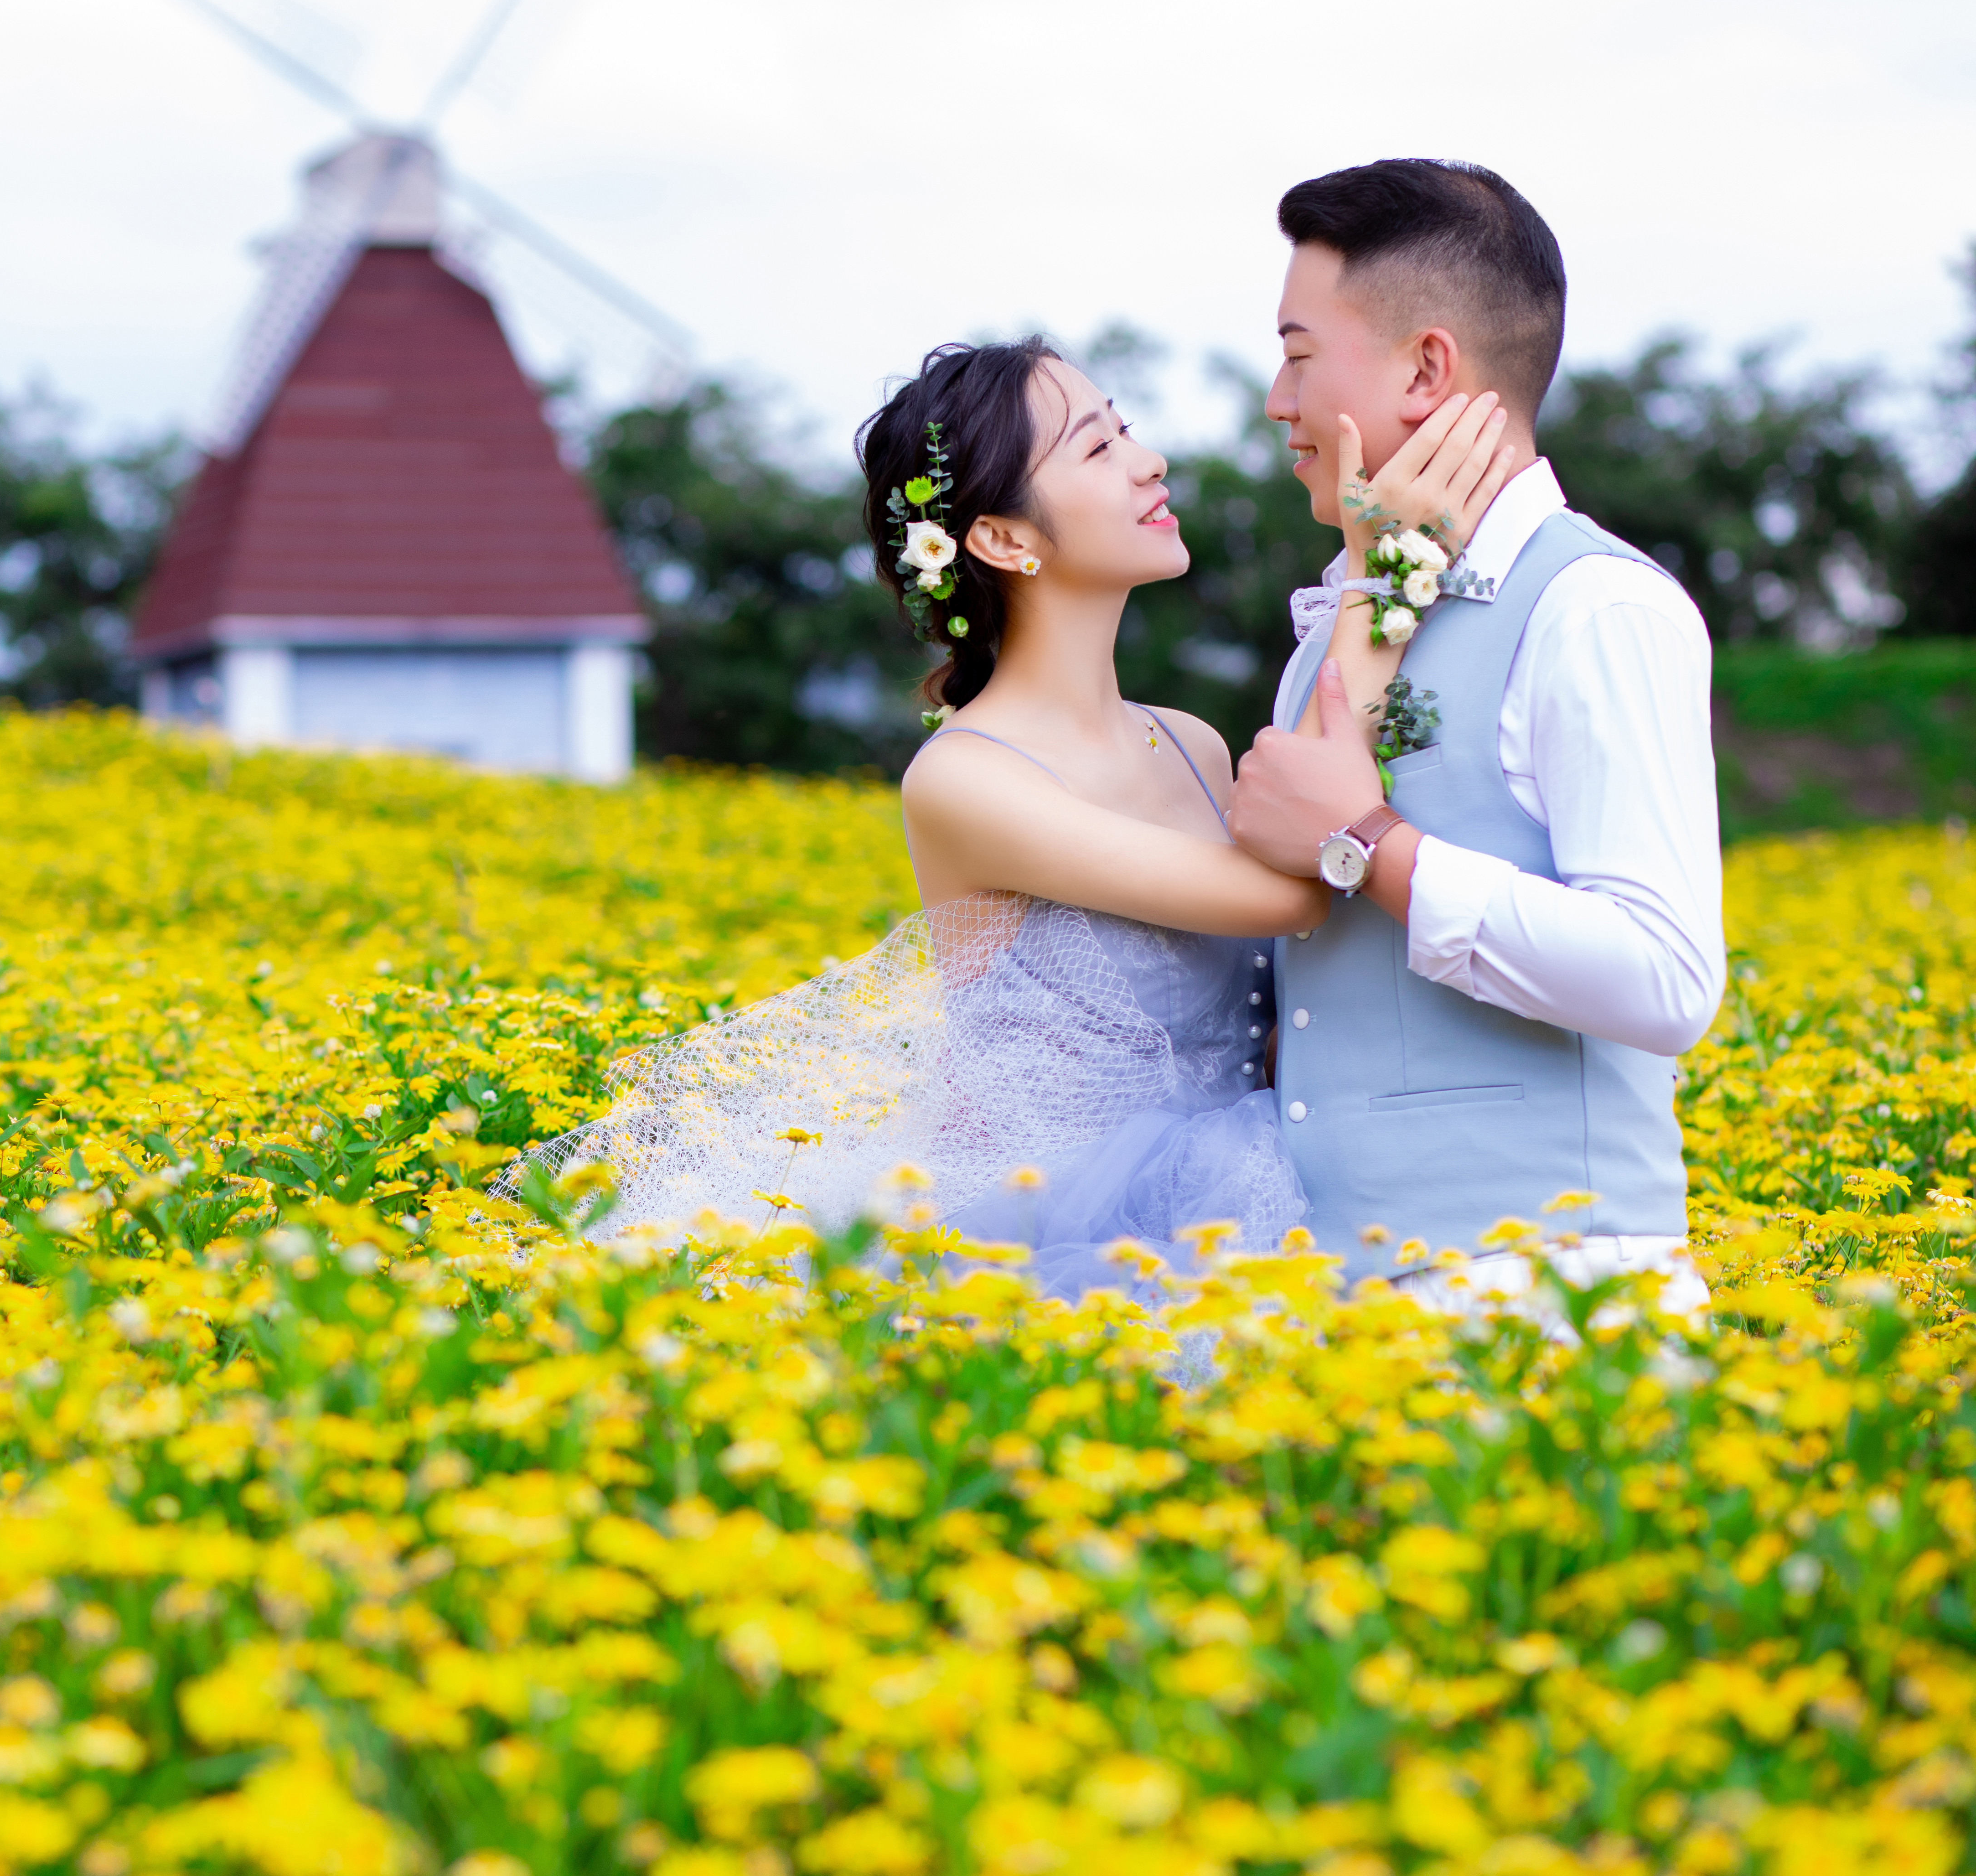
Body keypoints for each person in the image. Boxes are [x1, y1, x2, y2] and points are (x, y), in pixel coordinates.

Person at [519, 335, 1508, 1302]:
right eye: (1098, 447)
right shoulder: (966, 780)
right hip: (1058, 1249)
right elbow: (1297, 886)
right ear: (1002, 539)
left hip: (1254, 1189)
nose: (1149, 460)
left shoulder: (1193, 742)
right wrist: (1388, 569)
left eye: (1126, 430)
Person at [1225, 160, 1720, 1315]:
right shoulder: (1344, 620)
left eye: (1299, 353)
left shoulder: (1594, 604)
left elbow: (1666, 972)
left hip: (1544, 1295)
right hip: (1339, 1304)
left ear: (1427, 367)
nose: (1276, 400)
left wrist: (1368, 838)